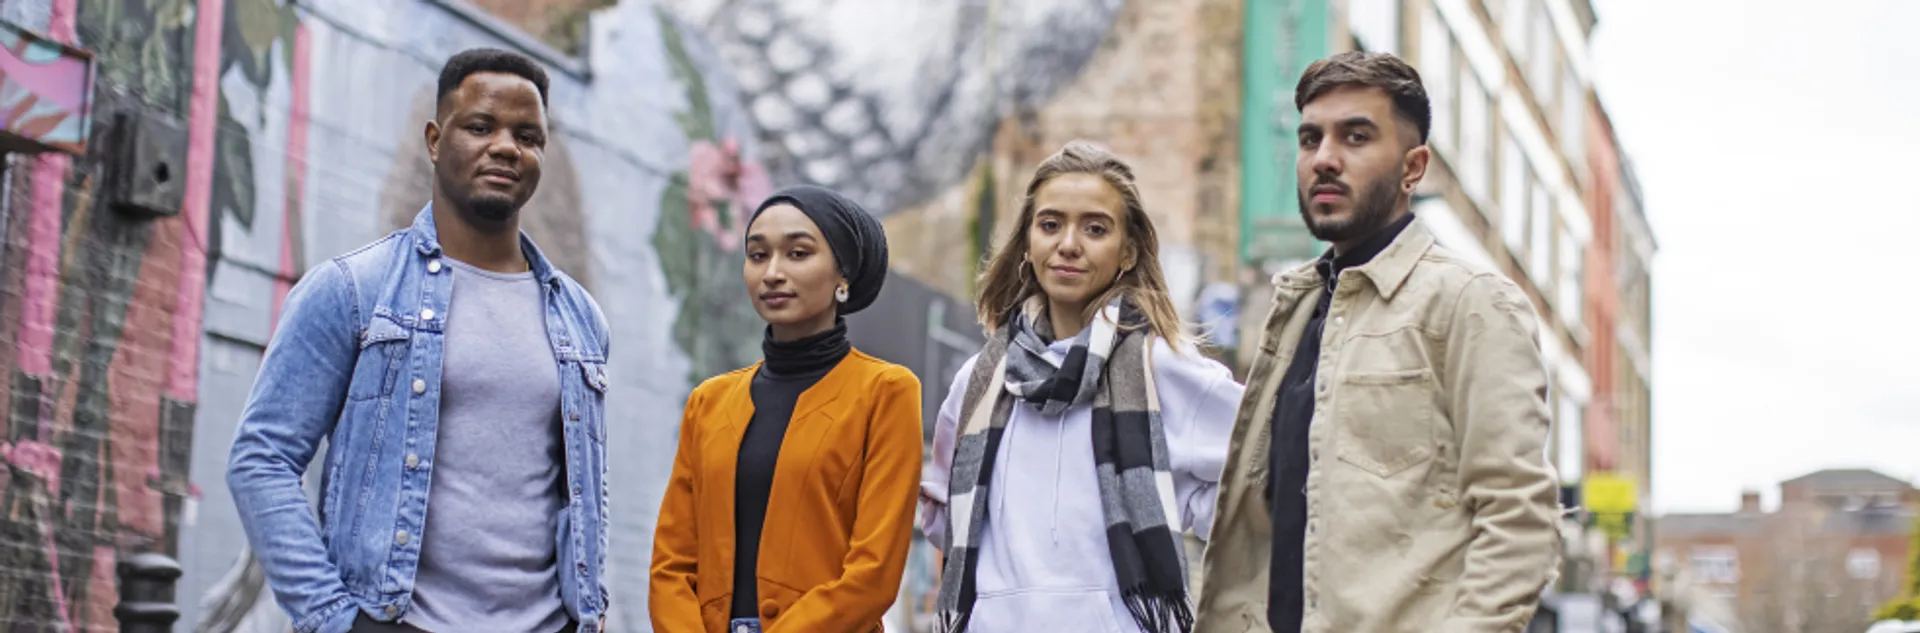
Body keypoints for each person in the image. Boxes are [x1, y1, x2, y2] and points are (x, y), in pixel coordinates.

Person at [226, 48, 611, 633]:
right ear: (436, 140)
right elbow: (262, 458)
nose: (506, 146)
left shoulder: (580, 318)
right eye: (481, 126)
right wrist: (337, 618)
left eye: (528, 135)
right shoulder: (355, 289)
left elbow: (581, 487)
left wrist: (592, 608)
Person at [1191, 51, 1562, 633]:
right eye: (1311, 139)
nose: (1325, 159)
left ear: (1413, 168)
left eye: (1356, 137)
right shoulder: (1295, 311)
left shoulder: (1470, 303)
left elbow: (1520, 517)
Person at [919, 141, 1243, 633]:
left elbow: (1260, 473)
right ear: (1028, 242)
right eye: (1050, 225)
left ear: (1128, 250)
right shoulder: (979, 382)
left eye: (1095, 228)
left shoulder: (1164, 369)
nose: (1069, 244)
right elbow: (946, 519)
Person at [650, 185, 924, 633]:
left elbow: (874, 572)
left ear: (843, 276)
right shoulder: (709, 402)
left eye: (798, 254)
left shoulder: (885, 392)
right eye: (757, 256)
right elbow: (671, 564)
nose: (772, 272)